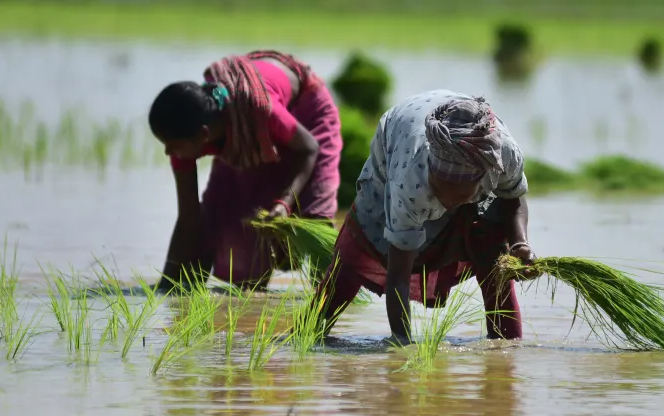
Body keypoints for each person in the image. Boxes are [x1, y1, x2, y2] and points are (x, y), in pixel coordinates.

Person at [311, 89, 535, 342]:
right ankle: (308, 333)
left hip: (466, 138)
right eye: (440, 189)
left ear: (481, 179)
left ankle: (507, 346)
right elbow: (398, 276)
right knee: (357, 251)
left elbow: (513, 198)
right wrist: (402, 342)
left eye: (458, 195)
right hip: (397, 141)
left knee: (493, 255)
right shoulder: (410, 180)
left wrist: (520, 244)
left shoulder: (504, 156)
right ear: (431, 172)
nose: (448, 201)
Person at [147, 50, 343, 292]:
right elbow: (189, 217)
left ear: (204, 136)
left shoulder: (261, 110)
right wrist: (166, 284)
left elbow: (309, 148)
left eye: (173, 146)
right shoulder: (190, 132)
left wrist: (285, 202)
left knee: (315, 217)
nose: (168, 152)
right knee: (226, 216)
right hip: (247, 124)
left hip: (306, 112)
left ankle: (331, 301)